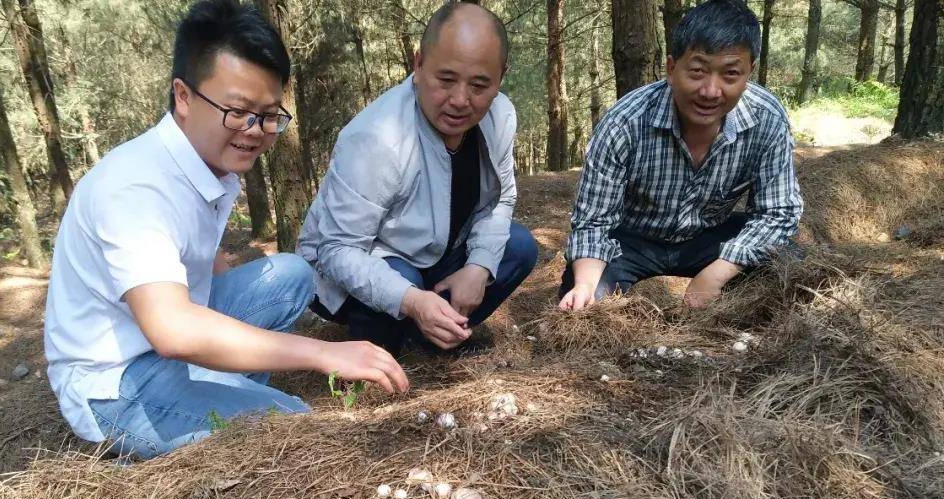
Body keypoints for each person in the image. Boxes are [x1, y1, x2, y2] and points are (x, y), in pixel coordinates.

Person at [44, 0, 407, 460]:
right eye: (237, 111)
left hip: (161, 343)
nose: (255, 131)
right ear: (184, 96)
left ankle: (218, 388)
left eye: (270, 114)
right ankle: (190, 417)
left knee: (292, 274)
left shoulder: (210, 164)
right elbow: (174, 330)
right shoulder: (134, 187)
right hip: (117, 381)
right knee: (293, 423)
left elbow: (198, 264)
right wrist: (322, 353)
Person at [297, 2, 538, 355]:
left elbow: (499, 200)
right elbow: (336, 250)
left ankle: (431, 338)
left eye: (479, 85)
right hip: (360, 263)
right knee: (402, 280)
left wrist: (478, 266)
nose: (459, 100)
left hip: (433, 251)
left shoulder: (500, 117)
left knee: (518, 247)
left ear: (502, 76)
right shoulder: (375, 137)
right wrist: (411, 300)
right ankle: (382, 342)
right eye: (446, 79)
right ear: (418, 63)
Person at [559, 0, 803, 311]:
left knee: (788, 264)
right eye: (698, 71)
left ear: (748, 73)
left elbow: (777, 213)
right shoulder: (625, 123)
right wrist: (585, 285)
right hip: (631, 242)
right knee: (587, 308)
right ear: (672, 69)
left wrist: (716, 274)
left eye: (730, 74)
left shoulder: (766, 118)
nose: (711, 91)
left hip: (710, 239)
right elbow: (594, 222)